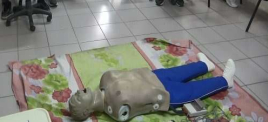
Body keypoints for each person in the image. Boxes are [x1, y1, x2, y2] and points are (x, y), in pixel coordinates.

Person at [69, 53, 236, 121]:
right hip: (164, 93)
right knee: (193, 90)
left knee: (180, 71)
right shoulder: (116, 109)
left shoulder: (104, 80)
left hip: (154, 75)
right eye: (78, 98)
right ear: (86, 112)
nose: (77, 91)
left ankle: (205, 65)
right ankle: (225, 81)